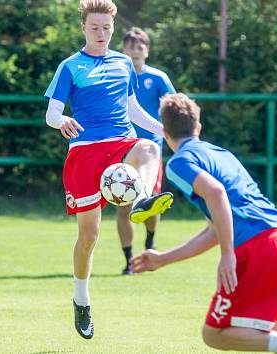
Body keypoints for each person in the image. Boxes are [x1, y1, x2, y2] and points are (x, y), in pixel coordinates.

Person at [130, 93, 277, 354]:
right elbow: (216, 227)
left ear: (165, 133)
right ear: (198, 127)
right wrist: (164, 258)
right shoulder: (220, 153)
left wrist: (227, 255)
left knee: (214, 334)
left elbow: (216, 194)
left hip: (257, 245)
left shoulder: (179, 163)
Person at [44, 0, 174, 340]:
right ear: (84, 28)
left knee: (147, 147)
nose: (101, 33)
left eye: (106, 28)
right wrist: (63, 121)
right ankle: (81, 300)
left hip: (120, 142)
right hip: (85, 152)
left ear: (113, 28)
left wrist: (164, 130)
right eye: (95, 28)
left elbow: (133, 110)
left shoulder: (123, 63)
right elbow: (51, 113)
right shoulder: (70, 66)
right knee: (89, 237)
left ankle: (143, 198)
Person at [117, 27, 176, 275]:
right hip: (122, 147)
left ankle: (150, 242)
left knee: (150, 203)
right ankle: (130, 261)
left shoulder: (158, 78)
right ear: (122, 50)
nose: (135, 50)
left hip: (151, 151)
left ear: (147, 50)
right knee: (124, 206)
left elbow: (174, 105)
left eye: (139, 46)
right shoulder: (115, 75)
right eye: (130, 45)